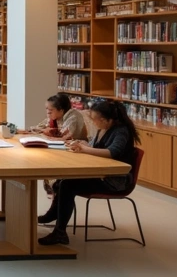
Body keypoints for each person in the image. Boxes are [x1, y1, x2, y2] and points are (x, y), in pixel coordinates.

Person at [37, 100, 140, 246]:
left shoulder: (121, 131)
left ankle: (60, 232)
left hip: (114, 180)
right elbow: (94, 146)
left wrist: (85, 149)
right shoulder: (103, 128)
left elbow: (112, 152)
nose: (93, 122)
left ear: (107, 120)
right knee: (61, 181)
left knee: (67, 185)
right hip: (101, 174)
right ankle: (53, 215)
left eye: (95, 119)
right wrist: (81, 144)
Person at [21, 93, 88, 141]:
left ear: (61, 110)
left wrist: (44, 132)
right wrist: (29, 130)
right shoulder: (55, 117)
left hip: (77, 145)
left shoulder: (73, 117)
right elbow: (40, 127)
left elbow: (64, 136)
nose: (47, 112)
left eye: (50, 111)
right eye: (46, 109)